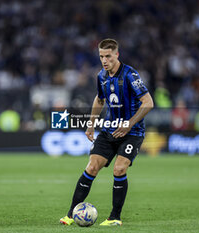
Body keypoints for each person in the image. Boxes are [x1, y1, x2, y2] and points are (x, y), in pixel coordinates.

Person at [60, 39, 154, 226]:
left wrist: (129, 123)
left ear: (117, 55)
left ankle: (114, 217)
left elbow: (148, 102)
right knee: (91, 167)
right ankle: (71, 214)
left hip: (132, 132)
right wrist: (91, 124)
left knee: (119, 168)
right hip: (109, 130)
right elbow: (100, 99)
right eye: (101, 56)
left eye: (108, 56)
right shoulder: (101, 76)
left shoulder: (129, 74)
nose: (104, 60)